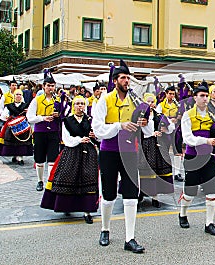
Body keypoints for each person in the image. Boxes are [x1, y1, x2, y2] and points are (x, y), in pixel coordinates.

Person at [93, 59, 147, 253]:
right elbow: (97, 129)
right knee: (108, 195)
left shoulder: (135, 101)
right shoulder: (105, 100)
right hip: (109, 151)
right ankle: (105, 229)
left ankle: (130, 238)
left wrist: (145, 122)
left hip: (130, 152)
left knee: (132, 195)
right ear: (115, 80)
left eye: (128, 78)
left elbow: (148, 129)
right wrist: (119, 125)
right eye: (123, 78)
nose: (126, 81)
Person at [40, 96, 99, 223]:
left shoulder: (90, 120)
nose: (80, 106)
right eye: (77, 103)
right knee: (67, 176)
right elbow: (66, 139)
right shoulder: (67, 120)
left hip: (88, 153)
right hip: (72, 152)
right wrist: (79, 140)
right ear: (73, 105)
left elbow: (97, 136)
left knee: (88, 179)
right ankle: (66, 206)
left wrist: (95, 136)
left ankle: (87, 211)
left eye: (82, 104)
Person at [178, 84, 215, 236]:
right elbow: (187, 139)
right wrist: (206, 141)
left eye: (207, 96)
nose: (205, 98)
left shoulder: (214, 115)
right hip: (193, 157)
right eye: (202, 96)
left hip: (209, 157)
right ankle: (183, 213)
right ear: (195, 98)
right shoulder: (187, 115)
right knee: (190, 193)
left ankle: (209, 223)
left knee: (212, 191)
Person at [138, 93, 175, 208]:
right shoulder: (141, 115)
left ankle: (155, 197)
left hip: (159, 146)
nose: (150, 104)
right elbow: (139, 131)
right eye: (148, 102)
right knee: (146, 170)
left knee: (158, 170)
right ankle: (142, 193)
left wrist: (165, 129)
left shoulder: (159, 115)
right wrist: (151, 134)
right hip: (146, 146)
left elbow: (171, 127)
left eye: (152, 101)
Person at [27, 71, 61, 192]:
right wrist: (42, 118)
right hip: (40, 132)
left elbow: (66, 115)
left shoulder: (59, 100)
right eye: (48, 85)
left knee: (52, 157)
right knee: (40, 157)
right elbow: (30, 117)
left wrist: (59, 115)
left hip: (53, 132)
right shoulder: (37, 100)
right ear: (44, 86)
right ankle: (40, 180)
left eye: (52, 86)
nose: (51, 88)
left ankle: (50, 182)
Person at [0, 89, 33, 164]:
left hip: (23, 126)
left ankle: (20, 157)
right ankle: (14, 154)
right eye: (17, 94)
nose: (18, 96)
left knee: (22, 142)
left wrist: (27, 113)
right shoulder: (9, 106)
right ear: (14, 96)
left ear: (22, 96)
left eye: (20, 94)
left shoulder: (26, 105)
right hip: (12, 127)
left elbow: (30, 115)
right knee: (12, 141)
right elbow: (3, 115)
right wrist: (6, 116)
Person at [156, 85, 184, 182]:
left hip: (176, 129)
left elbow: (182, 115)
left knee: (177, 150)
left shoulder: (178, 104)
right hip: (166, 130)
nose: (172, 96)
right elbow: (158, 116)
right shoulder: (161, 105)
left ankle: (177, 172)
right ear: (166, 94)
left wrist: (178, 118)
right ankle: (165, 171)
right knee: (165, 150)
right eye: (170, 94)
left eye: (173, 94)